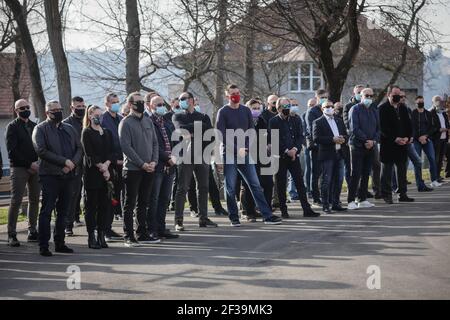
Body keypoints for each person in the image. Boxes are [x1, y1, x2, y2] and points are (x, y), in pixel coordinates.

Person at [216, 84, 282, 226]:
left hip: (245, 153)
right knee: (231, 187)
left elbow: (251, 130)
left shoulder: (245, 110)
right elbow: (220, 134)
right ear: (227, 95)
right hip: (229, 154)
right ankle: (234, 217)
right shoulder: (223, 112)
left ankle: (267, 215)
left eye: (238, 93)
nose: (236, 95)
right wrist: (236, 148)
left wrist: (245, 147)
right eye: (233, 93)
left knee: (255, 184)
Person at [32, 101, 83, 257]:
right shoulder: (40, 129)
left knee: (63, 211)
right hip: (50, 175)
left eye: (60, 109)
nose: (57, 112)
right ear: (47, 112)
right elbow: (41, 150)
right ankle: (44, 245)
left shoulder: (69, 128)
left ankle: (60, 243)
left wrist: (72, 163)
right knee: (47, 211)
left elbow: (79, 148)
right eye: (54, 110)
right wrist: (63, 162)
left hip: (69, 174)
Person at [119, 92, 159, 247]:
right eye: (138, 102)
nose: (141, 104)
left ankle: (141, 233)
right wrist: (142, 163)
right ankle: (128, 235)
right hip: (133, 169)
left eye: (143, 101)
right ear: (130, 105)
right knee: (130, 203)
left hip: (149, 168)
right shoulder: (125, 123)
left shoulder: (148, 121)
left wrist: (154, 162)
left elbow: (155, 143)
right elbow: (126, 147)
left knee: (144, 202)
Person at [172, 92, 218, 231]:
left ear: (191, 100)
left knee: (203, 188)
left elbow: (210, 135)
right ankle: (178, 220)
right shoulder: (177, 116)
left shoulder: (203, 116)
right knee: (182, 188)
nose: (181, 102)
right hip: (185, 156)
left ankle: (203, 218)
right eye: (180, 100)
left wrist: (191, 131)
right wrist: (199, 128)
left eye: (184, 99)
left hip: (202, 155)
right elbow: (180, 130)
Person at [270, 98, 319, 218]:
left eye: (289, 105)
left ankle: (306, 209)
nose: (288, 108)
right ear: (279, 108)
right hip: (280, 156)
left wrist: (295, 150)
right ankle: (284, 210)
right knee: (281, 184)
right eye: (285, 106)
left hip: (294, 155)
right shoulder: (274, 121)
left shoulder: (295, 119)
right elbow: (275, 139)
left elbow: (300, 137)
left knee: (299, 183)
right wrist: (287, 151)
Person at [5, 99, 40, 247]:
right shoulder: (12, 127)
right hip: (19, 168)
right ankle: (12, 234)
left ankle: (32, 231)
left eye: (27, 107)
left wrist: (37, 163)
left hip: (36, 168)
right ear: (16, 111)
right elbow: (12, 151)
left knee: (34, 199)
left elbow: (39, 146)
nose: (25, 109)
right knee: (16, 200)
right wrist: (28, 164)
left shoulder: (34, 126)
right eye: (22, 108)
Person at [145, 95, 179, 239]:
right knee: (154, 198)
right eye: (157, 104)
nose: (160, 106)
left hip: (170, 166)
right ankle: (152, 228)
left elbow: (176, 140)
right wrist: (167, 158)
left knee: (165, 198)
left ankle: (161, 227)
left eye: (162, 103)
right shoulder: (148, 122)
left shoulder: (167, 122)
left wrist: (175, 156)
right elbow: (153, 145)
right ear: (150, 106)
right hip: (157, 165)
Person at [81, 105, 114, 249]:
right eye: (96, 115)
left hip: (106, 173)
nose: (98, 117)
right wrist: (101, 167)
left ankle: (101, 234)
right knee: (91, 206)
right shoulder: (86, 132)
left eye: (100, 115)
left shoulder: (106, 132)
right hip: (92, 173)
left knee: (104, 206)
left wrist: (106, 166)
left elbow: (111, 152)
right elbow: (89, 154)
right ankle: (91, 236)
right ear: (89, 116)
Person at [379, 85, 415, 204]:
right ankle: (387, 194)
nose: (397, 97)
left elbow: (409, 125)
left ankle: (402, 194)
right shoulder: (382, 108)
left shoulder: (403, 108)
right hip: (388, 145)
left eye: (399, 95)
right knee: (387, 172)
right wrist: (395, 138)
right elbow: (382, 128)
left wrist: (408, 137)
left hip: (402, 145)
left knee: (402, 171)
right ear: (389, 94)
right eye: (395, 94)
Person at [347, 88, 380, 210]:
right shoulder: (354, 109)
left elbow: (378, 128)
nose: (369, 98)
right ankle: (351, 200)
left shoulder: (374, 109)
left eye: (371, 95)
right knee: (356, 173)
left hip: (371, 145)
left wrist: (373, 141)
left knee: (366, 172)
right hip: (358, 145)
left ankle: (362, 199)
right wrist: (366, 140)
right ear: (361, 96)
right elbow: (354, 129)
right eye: (367, 95)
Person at [313, 100, 348, 213]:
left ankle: (336, 203)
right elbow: (316, 138)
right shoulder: (318, 122)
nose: (329, 108)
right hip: (327, 155)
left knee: (338, 180)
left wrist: (343, 138)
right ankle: (325, 204)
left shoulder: (339, 120)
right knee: (326, 180)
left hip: (339, 154)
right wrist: (332, 139)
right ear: (322, 109)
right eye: (326, 107)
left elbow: (346, 134)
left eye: (331, 106)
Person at [100, 93, 124, 242]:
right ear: (107, 104)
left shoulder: (121, 119)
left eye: (117, 102)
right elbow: (104, 144)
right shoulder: (103, 119)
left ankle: (109, 228)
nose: (116, 104)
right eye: (113, 102)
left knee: (116, 197)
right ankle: (105, 230)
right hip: (110, 164)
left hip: (123, 164)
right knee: (108, 198)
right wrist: (114, 160)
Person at [63, 96, 86, 236]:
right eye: (78, 107)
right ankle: (68, 224)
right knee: (72, 195)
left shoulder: (86, 121)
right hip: (74, 163)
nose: (81, 109)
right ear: (72, 108)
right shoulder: (66, 124)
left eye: (83, 106)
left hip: (89, 163)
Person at [411, 96, 441, 189]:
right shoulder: (413, 113)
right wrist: (418, 137)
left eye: (422, 102)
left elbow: (433, 127)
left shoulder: (428, 114)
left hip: (427, 139)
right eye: (419, 102)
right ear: (416, 103)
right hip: (416, 140)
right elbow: (411, 128)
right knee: (418, 161)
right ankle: (419, 183)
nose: (420, 103)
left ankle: (434, 180)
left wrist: (426, 136)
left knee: (432, 158)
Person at [306, 89, 329, 206]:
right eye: (322, 97)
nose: (325, 99)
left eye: (326, 97)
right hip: (316, 147)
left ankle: (326, 196)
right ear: (317, 98)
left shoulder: (327, 110)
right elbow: (311, 130)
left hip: (327, 146)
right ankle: (315, 197)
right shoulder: (312, 112)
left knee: (326, 173)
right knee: (316, 173)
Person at [430, 95, 450, 183]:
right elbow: (429, 126)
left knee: (441, 158)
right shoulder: (430, 112)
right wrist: (438, 129)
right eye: (437, 100)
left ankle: (438, 175)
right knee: (435, 158)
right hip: (436, 139)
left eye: (440, 100)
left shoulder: (443, 112)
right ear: (433, 102)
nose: (439, 102)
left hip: (444, 138)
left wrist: (447, 128)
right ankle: (434, 177)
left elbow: (447, 123)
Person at [301, 98, 316, 199]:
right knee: (308, 168)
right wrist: (306, 144)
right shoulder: (304, 115)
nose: (312, 106)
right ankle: (308, 189)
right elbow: (303, 131)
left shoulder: (318, 114)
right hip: (307, 145)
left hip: (318, 145)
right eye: (310, 105)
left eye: (313, 104)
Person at [334, 101, 351, 186]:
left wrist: (344, 138)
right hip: (335, 149)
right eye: (337, 108)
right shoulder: (334, 120)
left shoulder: (343, 120)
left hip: (345, 148)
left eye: (341, 107)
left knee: (347, 169)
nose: (340, 110)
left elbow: (347, 133)